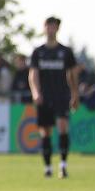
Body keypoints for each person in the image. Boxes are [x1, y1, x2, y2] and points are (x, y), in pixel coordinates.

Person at [29, 16, 79, 179]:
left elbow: (72, 75)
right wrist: (36, 92)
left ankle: (63, 165)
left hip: (61, 96)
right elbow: (33, 74)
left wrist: (74, 94)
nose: (51, 29)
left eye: (54, 26)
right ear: (44, 28)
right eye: (48, 26)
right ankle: (48, 167)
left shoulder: (65, 52)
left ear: (57, 29)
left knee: (63, 127)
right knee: (45, 132)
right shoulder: (38, 52)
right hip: (45, 97)